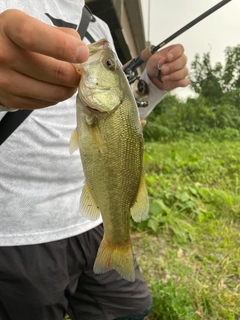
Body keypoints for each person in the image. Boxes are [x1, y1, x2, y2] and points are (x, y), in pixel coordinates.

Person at [0, 1, 189, 320]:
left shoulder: (99, 27)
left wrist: (152, 87)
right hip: (21, 232)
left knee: (130, 310)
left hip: (95, 217)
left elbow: (122, 116)